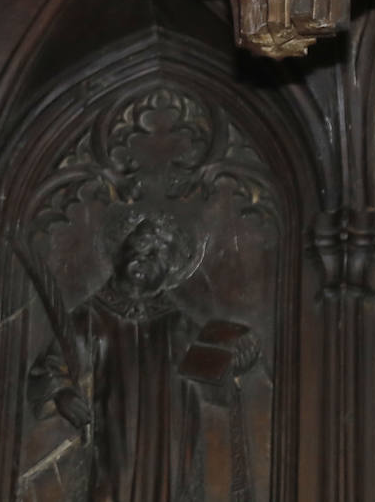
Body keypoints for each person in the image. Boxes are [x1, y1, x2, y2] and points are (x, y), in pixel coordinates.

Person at [27, 215, 255, 502]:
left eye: (161, 254)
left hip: (167, 448)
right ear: (121, 249)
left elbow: (211, 371)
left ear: (169, 271)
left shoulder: (177, 325)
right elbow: (50, 368)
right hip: (111, 443)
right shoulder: (90, 317)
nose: (147, 256)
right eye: (143, 243)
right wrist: (62, 394)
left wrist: (237, 354)